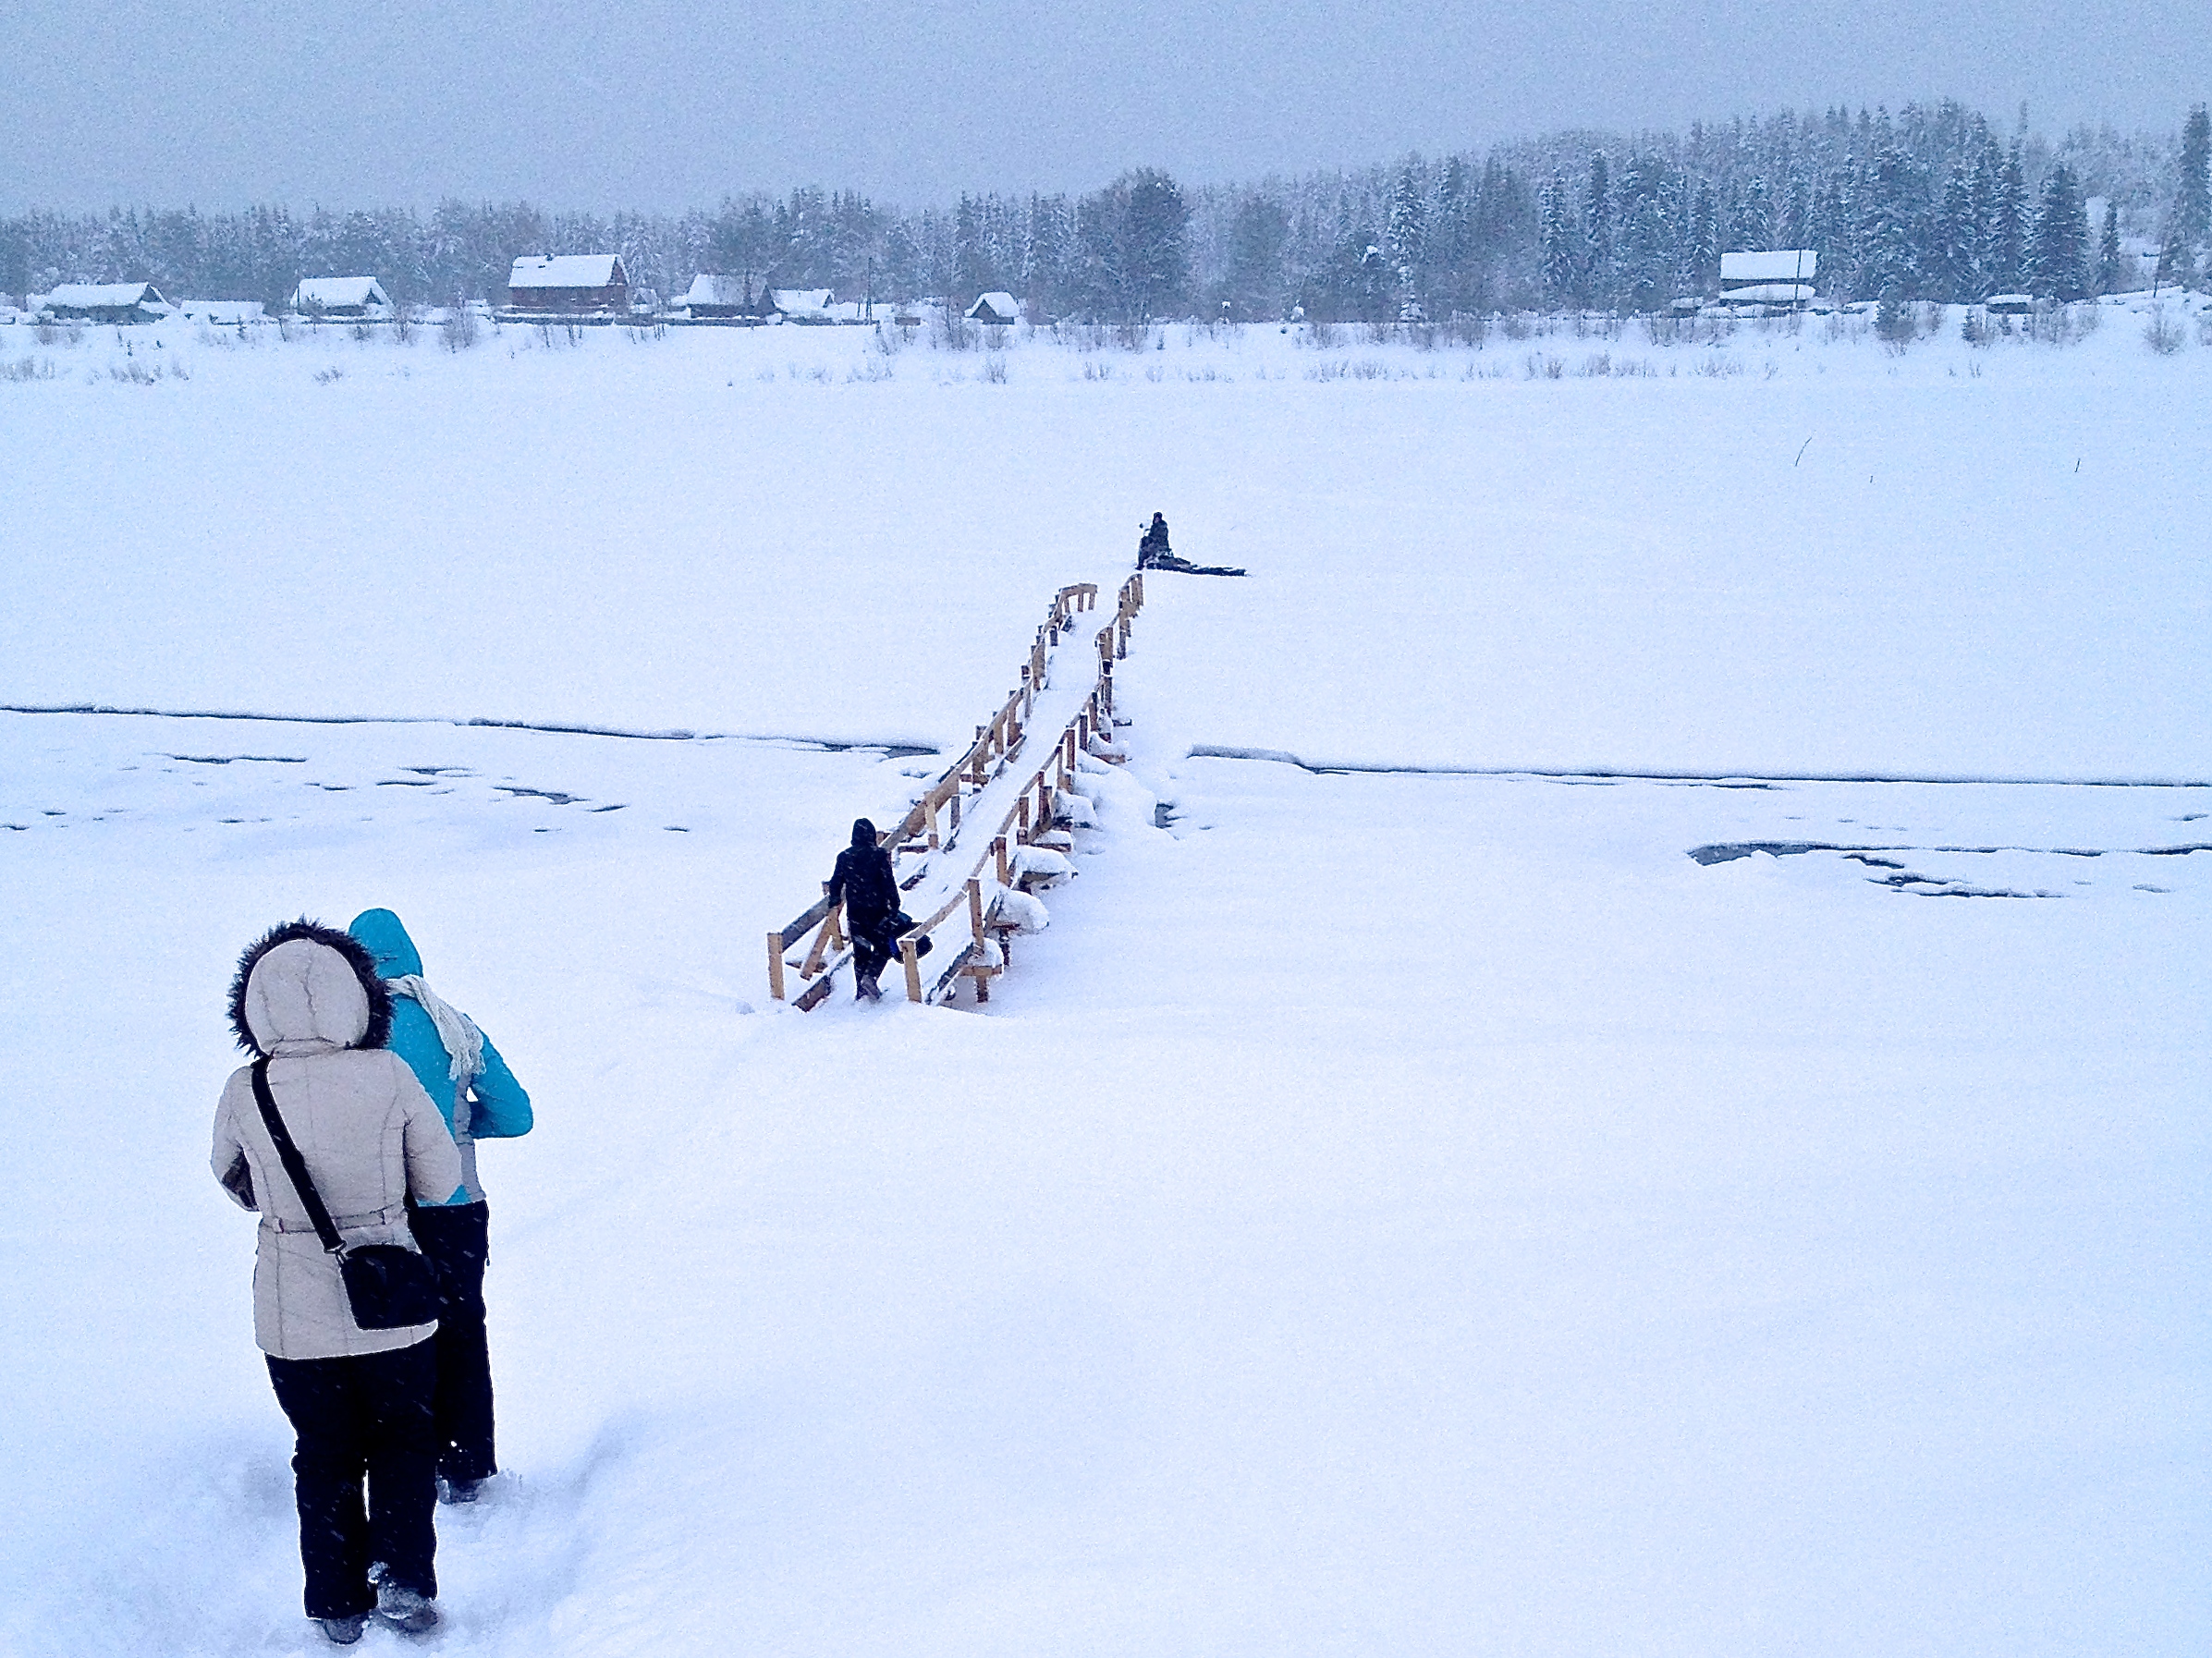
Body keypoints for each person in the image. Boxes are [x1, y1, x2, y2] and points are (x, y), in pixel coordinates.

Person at [213, 920, 463, 1645]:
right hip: (392, 1298)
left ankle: (335, 1602)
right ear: (356, 997)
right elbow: (442, 1178)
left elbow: (232, 1183)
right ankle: (405, 1581)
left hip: (291, 1308)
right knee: (403, 1441)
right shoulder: (387, 1073)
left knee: (322, 1453)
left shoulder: (244, 1086)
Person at [347, 908, 532, 1506]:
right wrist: (455, 1128)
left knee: (392, 1334)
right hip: (456, 1208)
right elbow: (517, 1115)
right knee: (461, 1329)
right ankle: (469, 1460)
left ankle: (405, 1459)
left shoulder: (348, 1037)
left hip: (376, 1211)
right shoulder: (453, 1025)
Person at [828, 817, 905, 999]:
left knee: (861, 951)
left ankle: (861, 991)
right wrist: (895, 903)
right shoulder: (878, 855)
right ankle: (870, 977)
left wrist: (834, 899)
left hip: (855, 911)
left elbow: (835, 883)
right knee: (884, 945)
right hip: (877, 910)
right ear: (871, 835)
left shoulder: (844, 857)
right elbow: (888, 882)